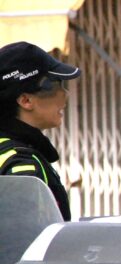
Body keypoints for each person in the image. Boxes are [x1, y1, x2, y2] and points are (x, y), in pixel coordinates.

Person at [0, 42, 80, 221]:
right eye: (55, 84)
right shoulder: (22, 166)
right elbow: (24, 241)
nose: (65, 94)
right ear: (26, 100)